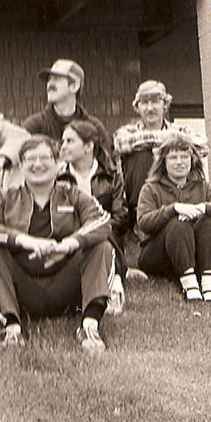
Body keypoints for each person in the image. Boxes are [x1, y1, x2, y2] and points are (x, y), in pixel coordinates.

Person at [0, 135, 116, 353]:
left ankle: (89, 325)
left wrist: (69, 244)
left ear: (58, 163)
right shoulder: (4, 197)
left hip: (67, 288)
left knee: (101, 246)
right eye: (30, 159)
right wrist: (25, 241)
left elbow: (102, 222)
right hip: (23, 289)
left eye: (44, 158)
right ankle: (12, 326)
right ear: (21, 165)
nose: (38, 164)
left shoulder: (73, 194)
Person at [136, 135, 211, 303]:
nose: (179, 162)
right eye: (173, 157)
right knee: (178, 224)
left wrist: (204, 207)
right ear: (164, 162)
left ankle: (209, 287)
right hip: (159, 256)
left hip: (195, 255)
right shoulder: (151, 188)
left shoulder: (204, 186)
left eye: (184, 156)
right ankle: (190, 285)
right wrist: (174, 209)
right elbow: (144, 222)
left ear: (192, 160)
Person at [113, 80, 206, 231]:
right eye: (144, 102)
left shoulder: (180, 128)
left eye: (155, 101)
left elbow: (202, 146)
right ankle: (142, 218)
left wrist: (163, 142)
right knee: (140, 155)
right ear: (137, 108)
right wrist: (173, 139)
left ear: (165, 105)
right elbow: (121, 144)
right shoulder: (127, 131)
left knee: (184, 155)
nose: (150, 108)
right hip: (142, 198)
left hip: (177, 192)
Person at [59, 120, 131, 313]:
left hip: (107, 235)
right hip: (70, 238)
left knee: (103, 230)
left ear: (88, 146)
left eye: (69, 141)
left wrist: (94, 230)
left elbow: (121, 217)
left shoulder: (111, 174)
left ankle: (114, 285)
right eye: (62, 141)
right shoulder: (58, 177)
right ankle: (115, 278)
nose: (63, 146)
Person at [23, 59, 109, 151]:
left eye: (56, 79)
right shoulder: (34, 126)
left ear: (74, 86)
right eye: (49, 79)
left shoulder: (95, 127)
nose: (50, 84)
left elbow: (106, 163)